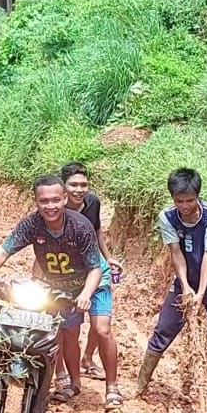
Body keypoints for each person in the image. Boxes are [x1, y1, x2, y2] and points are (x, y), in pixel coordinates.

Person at [0, 175, 122, 408]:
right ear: (36, 202)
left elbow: (94, 268)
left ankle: (112, 387)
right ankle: (74, 383)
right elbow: (3, 251)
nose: (51, 206)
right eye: (44, 201)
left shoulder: (80, 226)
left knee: (102, 329)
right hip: (60, 287)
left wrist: (85, 295)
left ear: (65, 199)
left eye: (56, 200)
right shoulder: (31, 225)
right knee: (68, 333)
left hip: (93, 282)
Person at [136, 168, 207, 393]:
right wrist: (186, 287)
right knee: (164, 330)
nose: (185, 206)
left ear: (198, 196)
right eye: (179, 201)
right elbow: (176, 253)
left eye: (190, 200)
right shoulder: (167, 217)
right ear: (173, 199)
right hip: (183, 284)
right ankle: (141, 384)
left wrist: (200, 293)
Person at [56, 163, 123, 384]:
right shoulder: (54, 208)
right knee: (63, 327)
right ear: (63, 187)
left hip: (95, 267)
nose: (79, 190)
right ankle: (61, 372)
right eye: (73, 185)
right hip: (66, 273)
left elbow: (96, 230)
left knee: (100, 325)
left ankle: (87, 359)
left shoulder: (92, 202)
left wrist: (107, 256)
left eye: (83, 184)